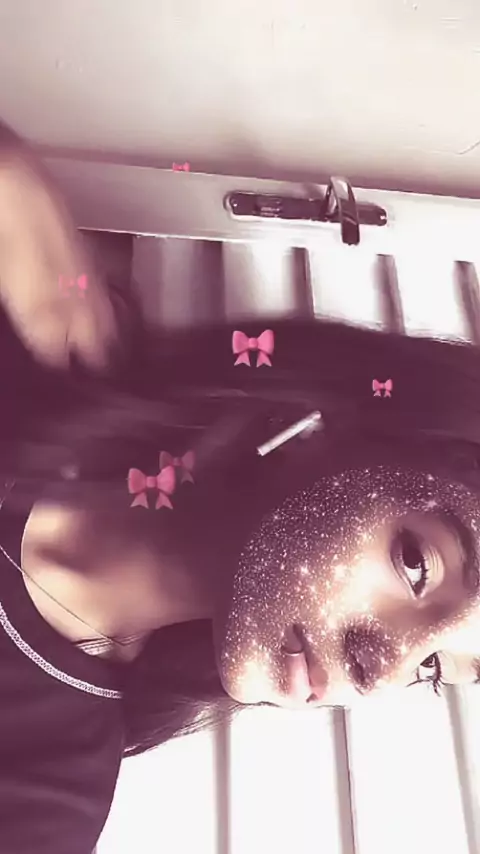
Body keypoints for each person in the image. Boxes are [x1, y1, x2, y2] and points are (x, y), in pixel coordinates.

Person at [2, 122, 480, 853]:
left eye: (430, 669)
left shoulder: (47, 785)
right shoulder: (35, 330)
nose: (380, 672)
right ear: (320, 423)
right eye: (418, 564)